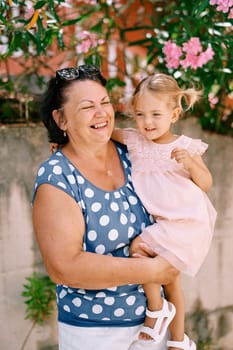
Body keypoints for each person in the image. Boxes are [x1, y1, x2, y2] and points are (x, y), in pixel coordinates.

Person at [32, 65, 178, 350]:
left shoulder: (134, 154)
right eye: (87, 107)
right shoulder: (58, 177)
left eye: (105, 102)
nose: (101, 113)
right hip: (95, 333)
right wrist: (153, 271)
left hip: (155, 322)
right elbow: (65, 267)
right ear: (61, 120)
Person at [112, 73, 217, 350]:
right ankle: (179, 340)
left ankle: (156, 310)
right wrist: (65, 141)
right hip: (165, 224)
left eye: (156, 114)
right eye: (140, 114)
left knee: (138, 248)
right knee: (170, 280)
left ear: (174, 114)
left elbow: (206, 184)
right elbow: (101, 131)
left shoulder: (184, 147)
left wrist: (191, 164)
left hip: (187, 222)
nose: (147, 122)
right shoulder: (134, 140)